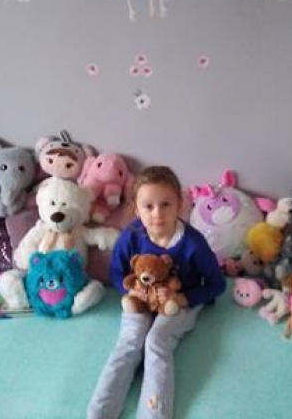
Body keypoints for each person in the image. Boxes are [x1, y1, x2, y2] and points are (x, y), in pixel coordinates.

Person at [87, 166, 226, 419]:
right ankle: (100, 413)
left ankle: (154, 414)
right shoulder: (131, 236)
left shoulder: (193, 243)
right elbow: (117, 273)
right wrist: (132, 290)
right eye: (148, 206)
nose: (157, 214)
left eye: (166, 204)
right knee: (129, 343)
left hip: (178, 301)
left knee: (156, 342)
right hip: (141, 299)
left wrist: (183, 298)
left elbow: (217, 285)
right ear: (136, 209)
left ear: (179, 204)